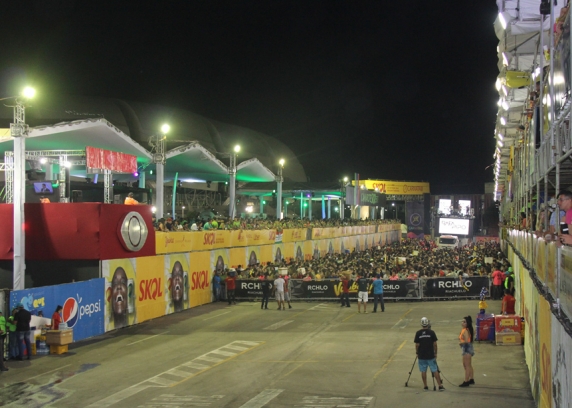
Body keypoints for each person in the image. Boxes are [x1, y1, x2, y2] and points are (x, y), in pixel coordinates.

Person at [414, 317, 444, 391]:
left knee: (423, 370)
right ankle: (440, 385)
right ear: (428, 323)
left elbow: (417, 345)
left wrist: (417, 352)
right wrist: (435, 353)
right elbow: (435, 344)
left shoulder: (418, 333)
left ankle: (425, 386)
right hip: (430, 355)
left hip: (422, 355)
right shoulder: (431, 332)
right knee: (434, 370)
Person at [459, 315, 475, 387]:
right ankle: (471, 378)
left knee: (466, 365)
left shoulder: (465, 330)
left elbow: (466, 341)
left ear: (467, 323)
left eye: (464, 322)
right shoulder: (467, 329)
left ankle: (466, 380)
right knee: (468, 364)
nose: (462, 323)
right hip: (467, 347)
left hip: (466, 348)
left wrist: (461, 343)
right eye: (462, 321)